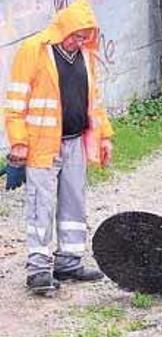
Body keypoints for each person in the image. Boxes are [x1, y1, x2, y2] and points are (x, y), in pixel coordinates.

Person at [3, 0, 113, 295]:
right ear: (63, 28)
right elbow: (15, 103)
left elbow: (95, 102)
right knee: (42, 205)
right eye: (76, 35)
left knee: (73, 202)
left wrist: (104, 137)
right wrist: (18, 142)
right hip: (41, 146)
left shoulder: (86, 57)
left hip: (75, 142)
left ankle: (69, 261)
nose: (80, 41)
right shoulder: (34, 51)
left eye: (85, 36)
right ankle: (38, 270)